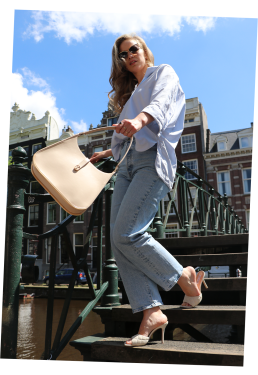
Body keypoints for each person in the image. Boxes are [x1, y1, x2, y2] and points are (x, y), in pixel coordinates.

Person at [90, 33, 207, 347]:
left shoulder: (162, 73)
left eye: (133, 48)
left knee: (129, 232)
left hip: (153, 159)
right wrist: (105, 153)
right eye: (123, 54)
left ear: (144, 50)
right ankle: (152, 310)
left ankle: (185, 279)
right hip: (127, 166)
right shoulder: (130, 97)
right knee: (119, 238)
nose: (129, 55)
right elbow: (125, 137)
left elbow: (162, 102)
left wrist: (140, 120)